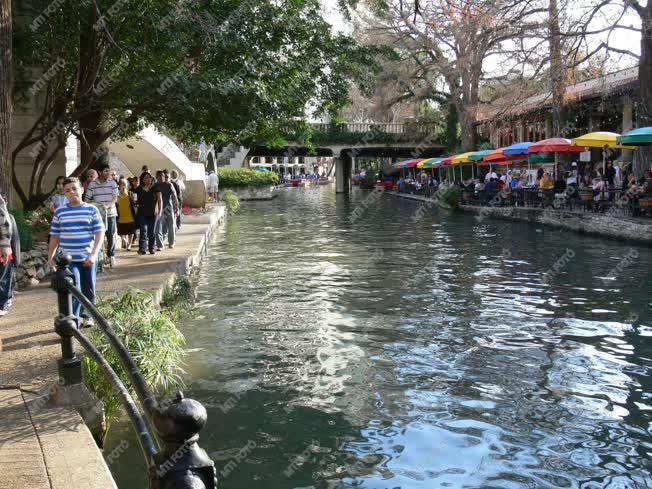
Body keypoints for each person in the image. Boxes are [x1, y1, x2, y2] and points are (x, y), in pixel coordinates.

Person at [47, 178, 105, 327]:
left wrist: (93, 255)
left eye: (74, 188)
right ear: (64, 194)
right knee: (74, 287)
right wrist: (51, 258)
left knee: (89, 287)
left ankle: (88, 316)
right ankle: (74, 318)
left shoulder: (92, 210)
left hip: (87, 257)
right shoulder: (60, 212)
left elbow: (99, 233)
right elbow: (54, 237)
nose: (71, 192)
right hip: (68, 260)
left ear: (82, 189)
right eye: (67, 190)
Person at [85, 163, 119, 267]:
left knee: (111, 235)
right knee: (97, 236)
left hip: (110, 214)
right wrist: (96, 206)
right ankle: (98, 258)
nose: (108, 173)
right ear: (99, 172)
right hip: (97, 216)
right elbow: (87, 200)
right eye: (106, 171)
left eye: (109, 171)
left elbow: (115, 197)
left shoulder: (113, 183)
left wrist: (108, 206)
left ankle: (111, 256)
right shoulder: (92, 185)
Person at [0, 193, 19, 317]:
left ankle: (3, 304)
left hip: (2, 248)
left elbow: (4, 221)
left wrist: (5, 245)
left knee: (3, 279)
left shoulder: (9, 216)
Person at [135, 172, 162, 255]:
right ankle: (142, 249)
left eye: (149, 177)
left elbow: (160, 199)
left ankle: (151, 248)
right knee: (143, 231)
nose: (149, 179)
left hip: (153, 213)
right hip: (142, 213)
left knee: (151, 232)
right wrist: (133, 200)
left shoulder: (155, 188)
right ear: (142, 180)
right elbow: (136, 202)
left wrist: (160, 211)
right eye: (146, 178)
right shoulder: (138, 189)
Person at [154, 170, 179, 250]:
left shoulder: (169, 184)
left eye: (163, 176)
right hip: (159, 209)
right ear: (156, 177)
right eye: (160, 176)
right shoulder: (155, 186)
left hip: (169, 208)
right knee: (158, 228)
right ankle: (160, 245)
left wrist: (177, 208)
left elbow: (174, 197)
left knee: (171, 226)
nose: (162, 177)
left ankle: (171, 243)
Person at [116, 180, 136, 251]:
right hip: (121, 217)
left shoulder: (130, 194)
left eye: (124, 184)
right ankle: (124, 239)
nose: (123, 186)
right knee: (121, 232)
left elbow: (135, 203)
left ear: (127, 185)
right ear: (119, 186)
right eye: (122, 184)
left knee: (131, 232)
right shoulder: (116, 195)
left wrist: (133, 199)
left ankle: (129, 245)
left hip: (130, 217)